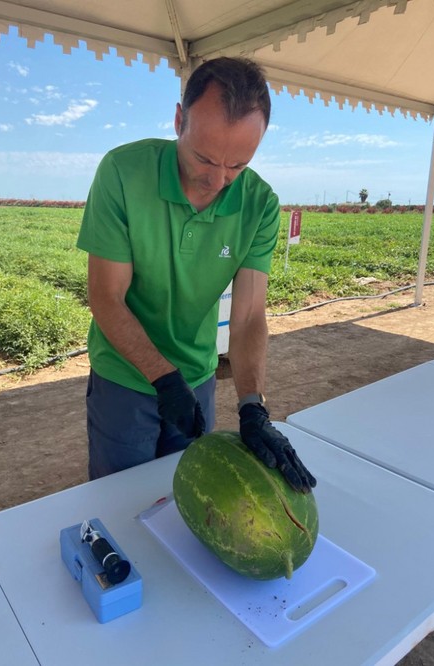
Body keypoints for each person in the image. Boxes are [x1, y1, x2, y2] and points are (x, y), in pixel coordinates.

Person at [77, 56, 316, 493]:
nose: (218, 180)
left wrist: (251, 406)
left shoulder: (260, 204)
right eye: (205, 158)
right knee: (120, 502)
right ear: (178, 120)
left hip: (198, 374)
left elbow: (247, 317)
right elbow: (106, 297)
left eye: (237, 165)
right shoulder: (123, 173)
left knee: (187, 500)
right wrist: (163, 379)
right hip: (124, 377)